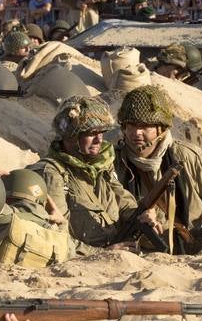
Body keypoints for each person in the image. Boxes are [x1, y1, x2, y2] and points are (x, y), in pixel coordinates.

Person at [114, 86, 202, 252]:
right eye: (130, 125)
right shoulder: (114, 160)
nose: (137, 133)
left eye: (145, 126)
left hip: (187, 249)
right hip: (135, 252)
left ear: (161, 128)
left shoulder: (187, 157)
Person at [30, 96, 139, 248]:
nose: (99, 140)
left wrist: (140, 216)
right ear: (71, 136)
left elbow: (123, 201)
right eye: (91, 133)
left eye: (101, 132)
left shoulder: (101, 164)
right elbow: (57, 238)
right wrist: (102, 253)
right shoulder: (52, 174)